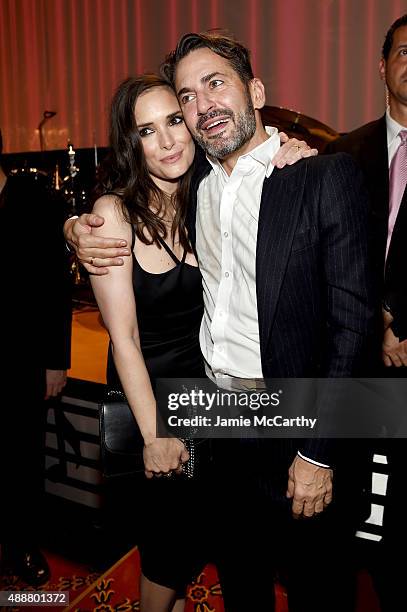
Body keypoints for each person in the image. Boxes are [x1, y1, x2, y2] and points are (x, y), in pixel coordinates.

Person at [64, 32, 373, 612]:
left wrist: (318, 452)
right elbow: (121, 248)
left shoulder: (310, 175)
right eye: (188, 95)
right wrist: (75, 228)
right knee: (240, 581)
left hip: (293, 420)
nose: (202, 106)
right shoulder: (197, 188)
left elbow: (352, 330)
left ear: (255, 91)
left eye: (216, 84)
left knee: (315, 587)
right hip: (217, 423)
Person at [325, 14, 407, 611]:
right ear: (382, 66)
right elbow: (324, 254)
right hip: (355, 359)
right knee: (358, 511)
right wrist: (374, 322)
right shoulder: (342, 153)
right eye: (403, 51)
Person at [0, 131, 72, 586]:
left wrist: (55, 361)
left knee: (22, 459)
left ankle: (22, 546)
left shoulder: (32, 197)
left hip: (20, 357)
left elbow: (55, 284)